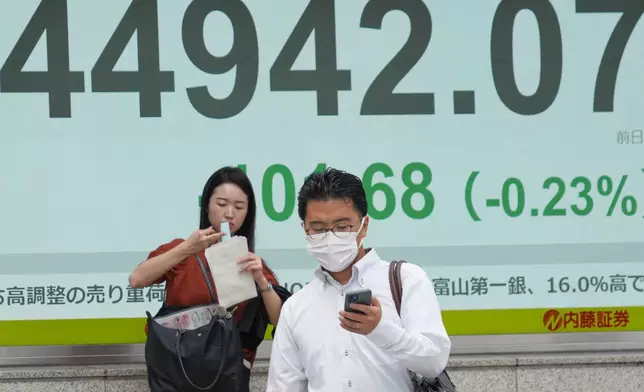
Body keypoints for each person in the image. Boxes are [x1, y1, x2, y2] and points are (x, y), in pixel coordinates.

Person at [266, 168, 451, 391]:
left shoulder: (406, 280)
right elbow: (283, 386)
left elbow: (434, 362)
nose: (330, 235)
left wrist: (381, 330)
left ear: (364, 226)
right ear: (304, 229)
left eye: (342, 227)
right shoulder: (296, 308)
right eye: (318, 228)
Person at [129, 166, 289, 391]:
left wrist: (262, 283)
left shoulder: (252, 262)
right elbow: (137, 279)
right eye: (221, 204)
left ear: (248, 213)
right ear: (206, 205)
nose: (229, 213)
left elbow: (281, 319)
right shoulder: (181, 251)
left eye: (239, 206)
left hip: (229, 376)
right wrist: (187, 248)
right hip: (178, 372)